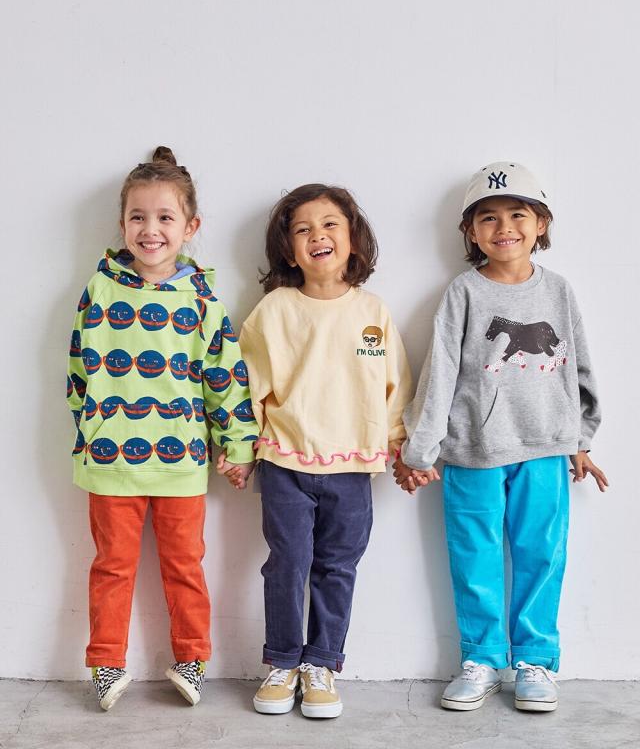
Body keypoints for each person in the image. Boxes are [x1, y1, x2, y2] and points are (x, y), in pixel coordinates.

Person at [394, 161, 608, 713]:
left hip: (545, 448)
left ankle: (535, 659)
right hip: (472, 451)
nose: (504, 227)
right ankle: (482, 659)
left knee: (541, 554)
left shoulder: (558, 292)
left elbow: (578, 366)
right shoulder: (462, 293)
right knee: (474, 557)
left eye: (518, 214)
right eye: (488, 217)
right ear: (470, 231)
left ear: (541, 224)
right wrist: (420, 450)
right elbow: (440, 373)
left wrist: (580, 440)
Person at [66, 146, 258, 710]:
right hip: (110, 461)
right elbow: (78, 371)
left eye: (165, 217)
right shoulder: (99, 290)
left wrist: (238, 445)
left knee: (184, 566)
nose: (150, 230)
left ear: (190, 227)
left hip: (181, 464)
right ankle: (106, 664)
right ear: (123, 224)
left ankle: (192, 658)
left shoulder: (203, 300)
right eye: (138, 217)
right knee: (111, 567)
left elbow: (224, 377)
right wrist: (89, 432)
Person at [240, 184, 412, 718]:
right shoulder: (273, 311)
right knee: (287, 564)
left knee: (337, 566)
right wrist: (240, 449)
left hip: (354, 467)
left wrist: (399, 446)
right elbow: (249, 385)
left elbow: (395, 387)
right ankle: (283, 662)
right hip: (285, 461)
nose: (318, 235)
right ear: (289, 250)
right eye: (303, 229)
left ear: (353, 239)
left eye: (330, 224)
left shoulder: (373, 312)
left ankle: (321, 664)